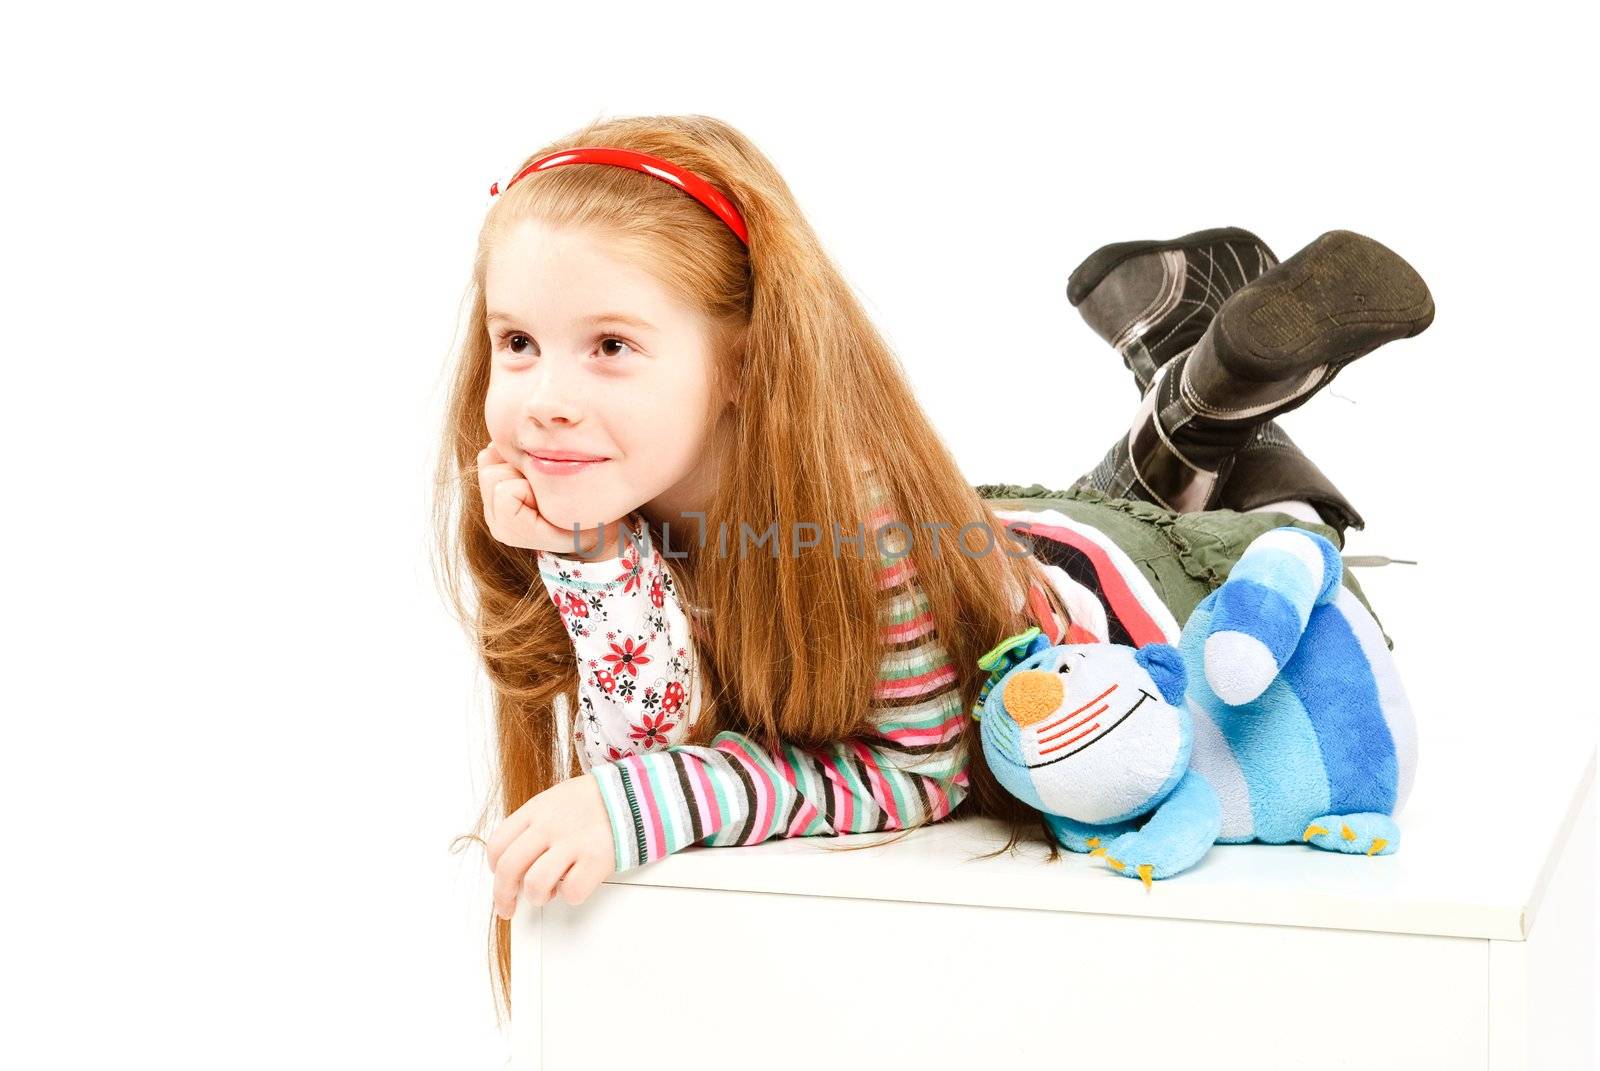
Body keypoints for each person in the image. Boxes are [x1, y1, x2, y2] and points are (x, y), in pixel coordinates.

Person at [430, 115, 1433, 1019]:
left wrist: (638, 805)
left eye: (609, 345)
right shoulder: (603, 494)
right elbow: (649, 740)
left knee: (1273, 546)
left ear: (741, 361)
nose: (545, 396)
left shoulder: (861, 529)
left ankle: (1205, 397)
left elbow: (918, 769)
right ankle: (1190, 376)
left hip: (1108, 606)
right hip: (994, 542)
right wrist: (588, 559)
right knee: (1066, 514)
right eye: (517, 342)